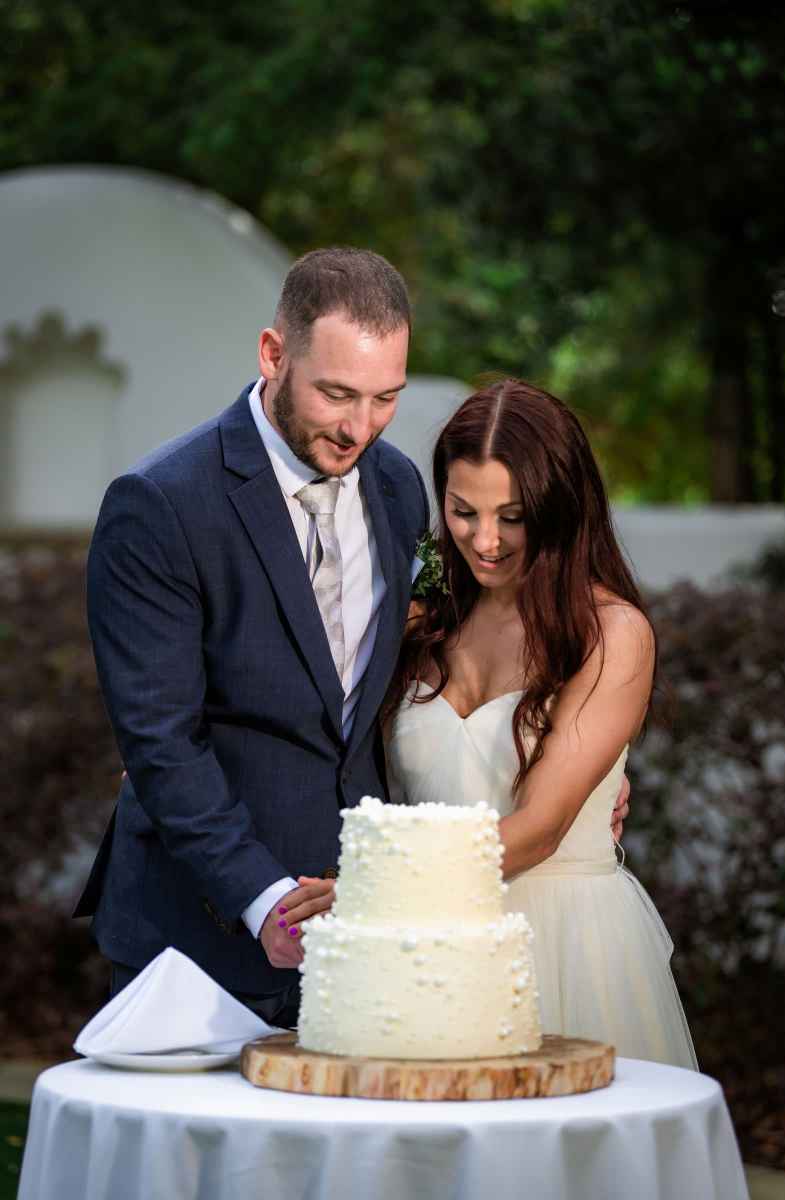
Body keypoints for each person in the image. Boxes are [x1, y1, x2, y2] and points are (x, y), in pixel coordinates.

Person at [75, 249, 629, 1025]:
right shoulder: (160, 504)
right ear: (274, 354)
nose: (359, 427)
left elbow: (417, 665)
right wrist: (264, 900)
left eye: (385, 398)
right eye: (337, 394)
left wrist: (565, 761)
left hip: (377, 942)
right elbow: (163, 742)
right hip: (199, 935)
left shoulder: (399, 487)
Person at [382, 378, 697, 1068]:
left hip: (562, 946)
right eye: (463, 511)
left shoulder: (611, 634)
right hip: (425, 942)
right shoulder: (422, 619)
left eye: (513, 516)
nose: (485, 540)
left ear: (560, 509)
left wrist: (372, 882)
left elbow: (541, 828)